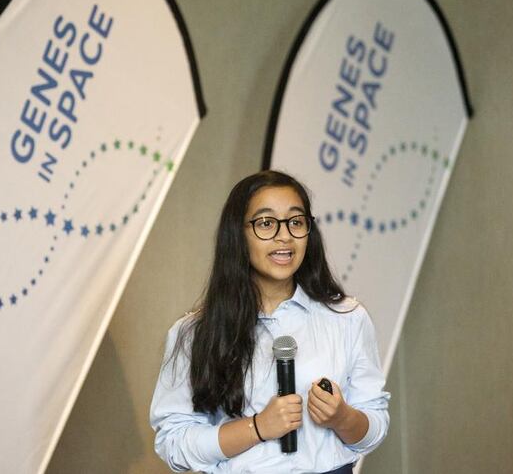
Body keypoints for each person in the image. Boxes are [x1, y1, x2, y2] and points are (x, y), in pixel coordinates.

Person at [150, 170, 390, 473]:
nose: (284, 236)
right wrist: (257, 427)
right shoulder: (196, 333)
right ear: (238, 234)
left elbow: (376, 426)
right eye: (266, 223)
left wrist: (341, 417)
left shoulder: (347, 318)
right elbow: (174, 443)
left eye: (296, 222)